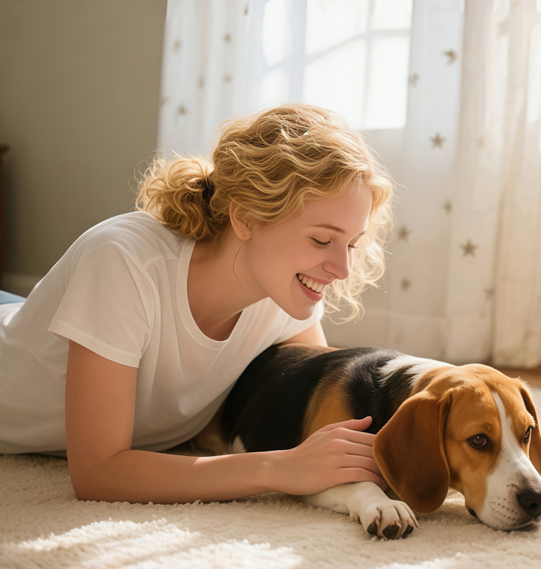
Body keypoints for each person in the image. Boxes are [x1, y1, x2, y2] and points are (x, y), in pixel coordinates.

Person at [0, 104, 396, 503]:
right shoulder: (123, 261)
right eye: (321, 240)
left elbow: (315, 417)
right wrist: (278, 468)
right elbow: (99, 473)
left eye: (351, 244)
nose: (342, 268)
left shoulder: (285, 294)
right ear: (244, 217)